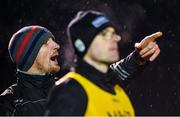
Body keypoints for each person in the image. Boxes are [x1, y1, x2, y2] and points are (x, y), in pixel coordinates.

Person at [45, 10, 162, 116]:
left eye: (113, 33)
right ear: (82, 45)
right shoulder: (71, 92)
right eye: (104, 34)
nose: (115, 38)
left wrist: (138, 57)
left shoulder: (115, 90)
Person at [0, 25, 60, 116]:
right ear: (29, 58)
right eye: (45, 43)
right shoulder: (9, 105)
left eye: (53, 41)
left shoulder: (65, 88)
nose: (57, 46)